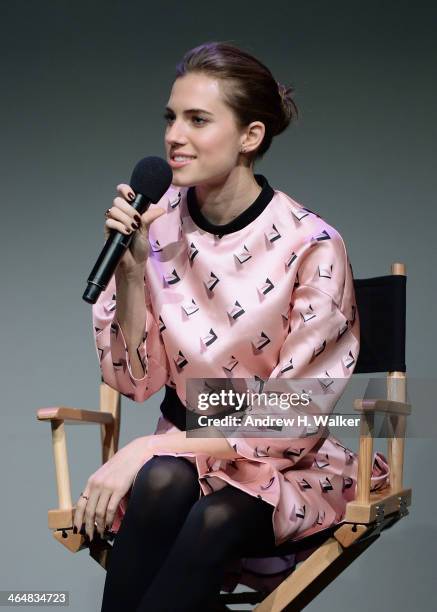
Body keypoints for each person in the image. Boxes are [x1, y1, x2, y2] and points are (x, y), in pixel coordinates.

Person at [73, 41, 390, 611]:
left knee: (211, 513)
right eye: (171, 117)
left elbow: (291, 415)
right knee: (164, 485)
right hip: (182, 450)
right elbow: (135, 383)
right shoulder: (154, 225)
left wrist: (143, 447)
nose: (174, 135)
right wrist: (130, 272)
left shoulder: (311, 244)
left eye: (198, 119)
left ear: (251, 136)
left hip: (283, 460)